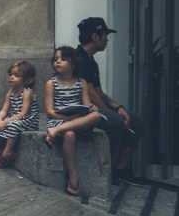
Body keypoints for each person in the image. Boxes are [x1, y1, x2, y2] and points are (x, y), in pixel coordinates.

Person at [75, 17, 145, 185]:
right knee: (116, 122)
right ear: (95, 36)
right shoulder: (78, 58)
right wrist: (113, 114)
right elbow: (91, 94)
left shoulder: (91, 61)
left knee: (136, 121)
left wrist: (119, 107)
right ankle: (108, 171)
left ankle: (121, 168)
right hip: (82, 109)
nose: (107, 39)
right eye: (105, 35)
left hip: (94, 106)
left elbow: (99, 92)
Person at [44, 46, 104, 196]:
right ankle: (72, 175)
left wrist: (92, 107)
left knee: (96, 116)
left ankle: (56, 132)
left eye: (63, 59)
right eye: (55, 59)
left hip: (77, 120)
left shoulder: (81, 82)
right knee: (69, 134)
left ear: (73, 64)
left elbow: (86, 105)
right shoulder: (51, 83)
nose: (58, 62)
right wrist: (67, 119)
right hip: (59, 119)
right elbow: (50, 111)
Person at [0, 61, 40, 168]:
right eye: (10, 74)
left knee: (13, 125)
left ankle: (6, 154)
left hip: (29, 120)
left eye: (16, 75)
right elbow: (4, 110)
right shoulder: (10, 92)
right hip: (15, 116)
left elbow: (24, 113)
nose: (11, 77)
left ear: (27, 80)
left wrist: (5, 122)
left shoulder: (27, 92)